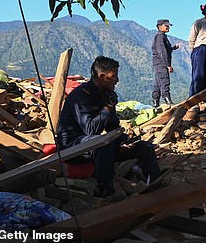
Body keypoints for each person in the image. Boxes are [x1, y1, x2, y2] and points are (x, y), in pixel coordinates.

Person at [57, 56, 160, 198]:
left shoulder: (106, 94)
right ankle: (106, 191)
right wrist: (106, 108)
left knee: (145, 148)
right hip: (72, 145)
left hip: (93, 143)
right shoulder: (80, 97)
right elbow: (90, 130)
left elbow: (112, 126)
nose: (117, 80)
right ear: (102, 76)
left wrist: (123, 141)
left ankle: (155, 187)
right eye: (113, 76)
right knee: (104, 145)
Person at [151, 19, 179, 107]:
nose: (168, 27)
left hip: (158, 63)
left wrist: (173, 48)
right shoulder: (160, 37)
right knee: (164, 80)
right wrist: (168, 65)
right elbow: (162, 51)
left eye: (168, 25)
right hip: (161, 63)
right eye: (166, 25)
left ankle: (156, 102)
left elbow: (166, 49)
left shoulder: (161, 37)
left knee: (158, 82)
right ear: (160, 27)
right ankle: (168, 100)